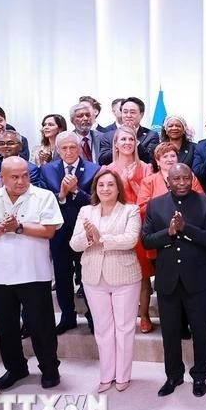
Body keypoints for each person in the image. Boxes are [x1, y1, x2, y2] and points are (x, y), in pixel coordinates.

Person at [0, 157, 63, 390]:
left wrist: (18, 228)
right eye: (15, 177)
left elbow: (49, 231)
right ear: (2, 177)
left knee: (42, 326)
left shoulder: (43, 196)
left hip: (33, 272)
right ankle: (15, 368)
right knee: (7, 327)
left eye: (25, 175)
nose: (21, 181)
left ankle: (49, 369)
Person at [142, 163, 206, 398]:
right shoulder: (155, 205)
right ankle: (173, 375)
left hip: (198, 280)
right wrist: (170, 233)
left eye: (186, 178)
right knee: (170, 333)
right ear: (168, 182)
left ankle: (199, 376)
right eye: (177, 179)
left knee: (201, 331)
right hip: (168, 280)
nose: (182, 183)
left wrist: (186, 229)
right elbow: (146, 240)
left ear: (192, 178)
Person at [69, 169, 142, 393]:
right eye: (101, 185)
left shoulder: (130, 210)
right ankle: (106, 374)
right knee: (102, 329)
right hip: (93, 275)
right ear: (95, 189)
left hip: (124, 275)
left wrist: (102, 238)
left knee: (124, 327)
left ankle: (123, 375)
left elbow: (130, 240)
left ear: (118, 188)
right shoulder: (86, 210)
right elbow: (74, 244)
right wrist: (89, 238)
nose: (105, 189)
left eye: (110, 185)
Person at [40, 131, 101, 334]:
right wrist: (62, 195)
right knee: (62, 274)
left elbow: (96, 201)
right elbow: (44, 202)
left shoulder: (94, 169)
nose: (68, 151)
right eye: (64, 148)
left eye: (72, 147)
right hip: (58, 231)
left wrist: (76, 191)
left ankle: (93, 316)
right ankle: (67, 316)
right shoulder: (47, 170)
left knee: (87, 275)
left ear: (79, 148)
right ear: (57, 150)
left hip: (84, 230)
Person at [103, 126, 155, 333]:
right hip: (116, 226)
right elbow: (103, 200)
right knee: (118, 273)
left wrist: (133, 181)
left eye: (131, 139)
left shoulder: (147, 168)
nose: (127, 142)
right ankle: (119, 316)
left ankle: (144, 314)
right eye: (122, 139)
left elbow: (147, 199)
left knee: (141, 274)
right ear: (116, 143)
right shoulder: (107, 169)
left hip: (140, 225)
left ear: (136, 143)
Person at [98, 97, 159, 165]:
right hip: (116, 174)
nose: (128, 115)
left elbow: (150, 160)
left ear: (141, 115)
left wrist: (135, 140)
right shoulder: (108, 136)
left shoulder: (151, 135)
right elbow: (102, 161)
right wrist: (119, 144)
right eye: (125, 112)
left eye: (132, 112)